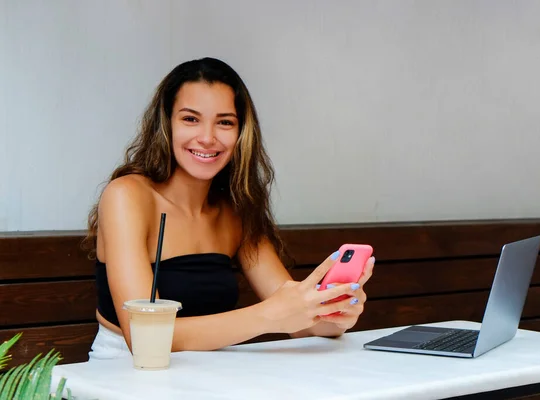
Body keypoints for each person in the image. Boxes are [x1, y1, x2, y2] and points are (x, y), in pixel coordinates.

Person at [83, 57, 375, 359]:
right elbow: (146, 337)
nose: (207, 138)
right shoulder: (126, 196)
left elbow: (301, 323)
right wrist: (269, 315)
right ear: (166, 124)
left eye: (224, 122)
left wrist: (333, 313)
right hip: (123, 373)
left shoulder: (235, 210)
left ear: (241, 133)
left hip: (207, 374)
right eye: (190, 119)